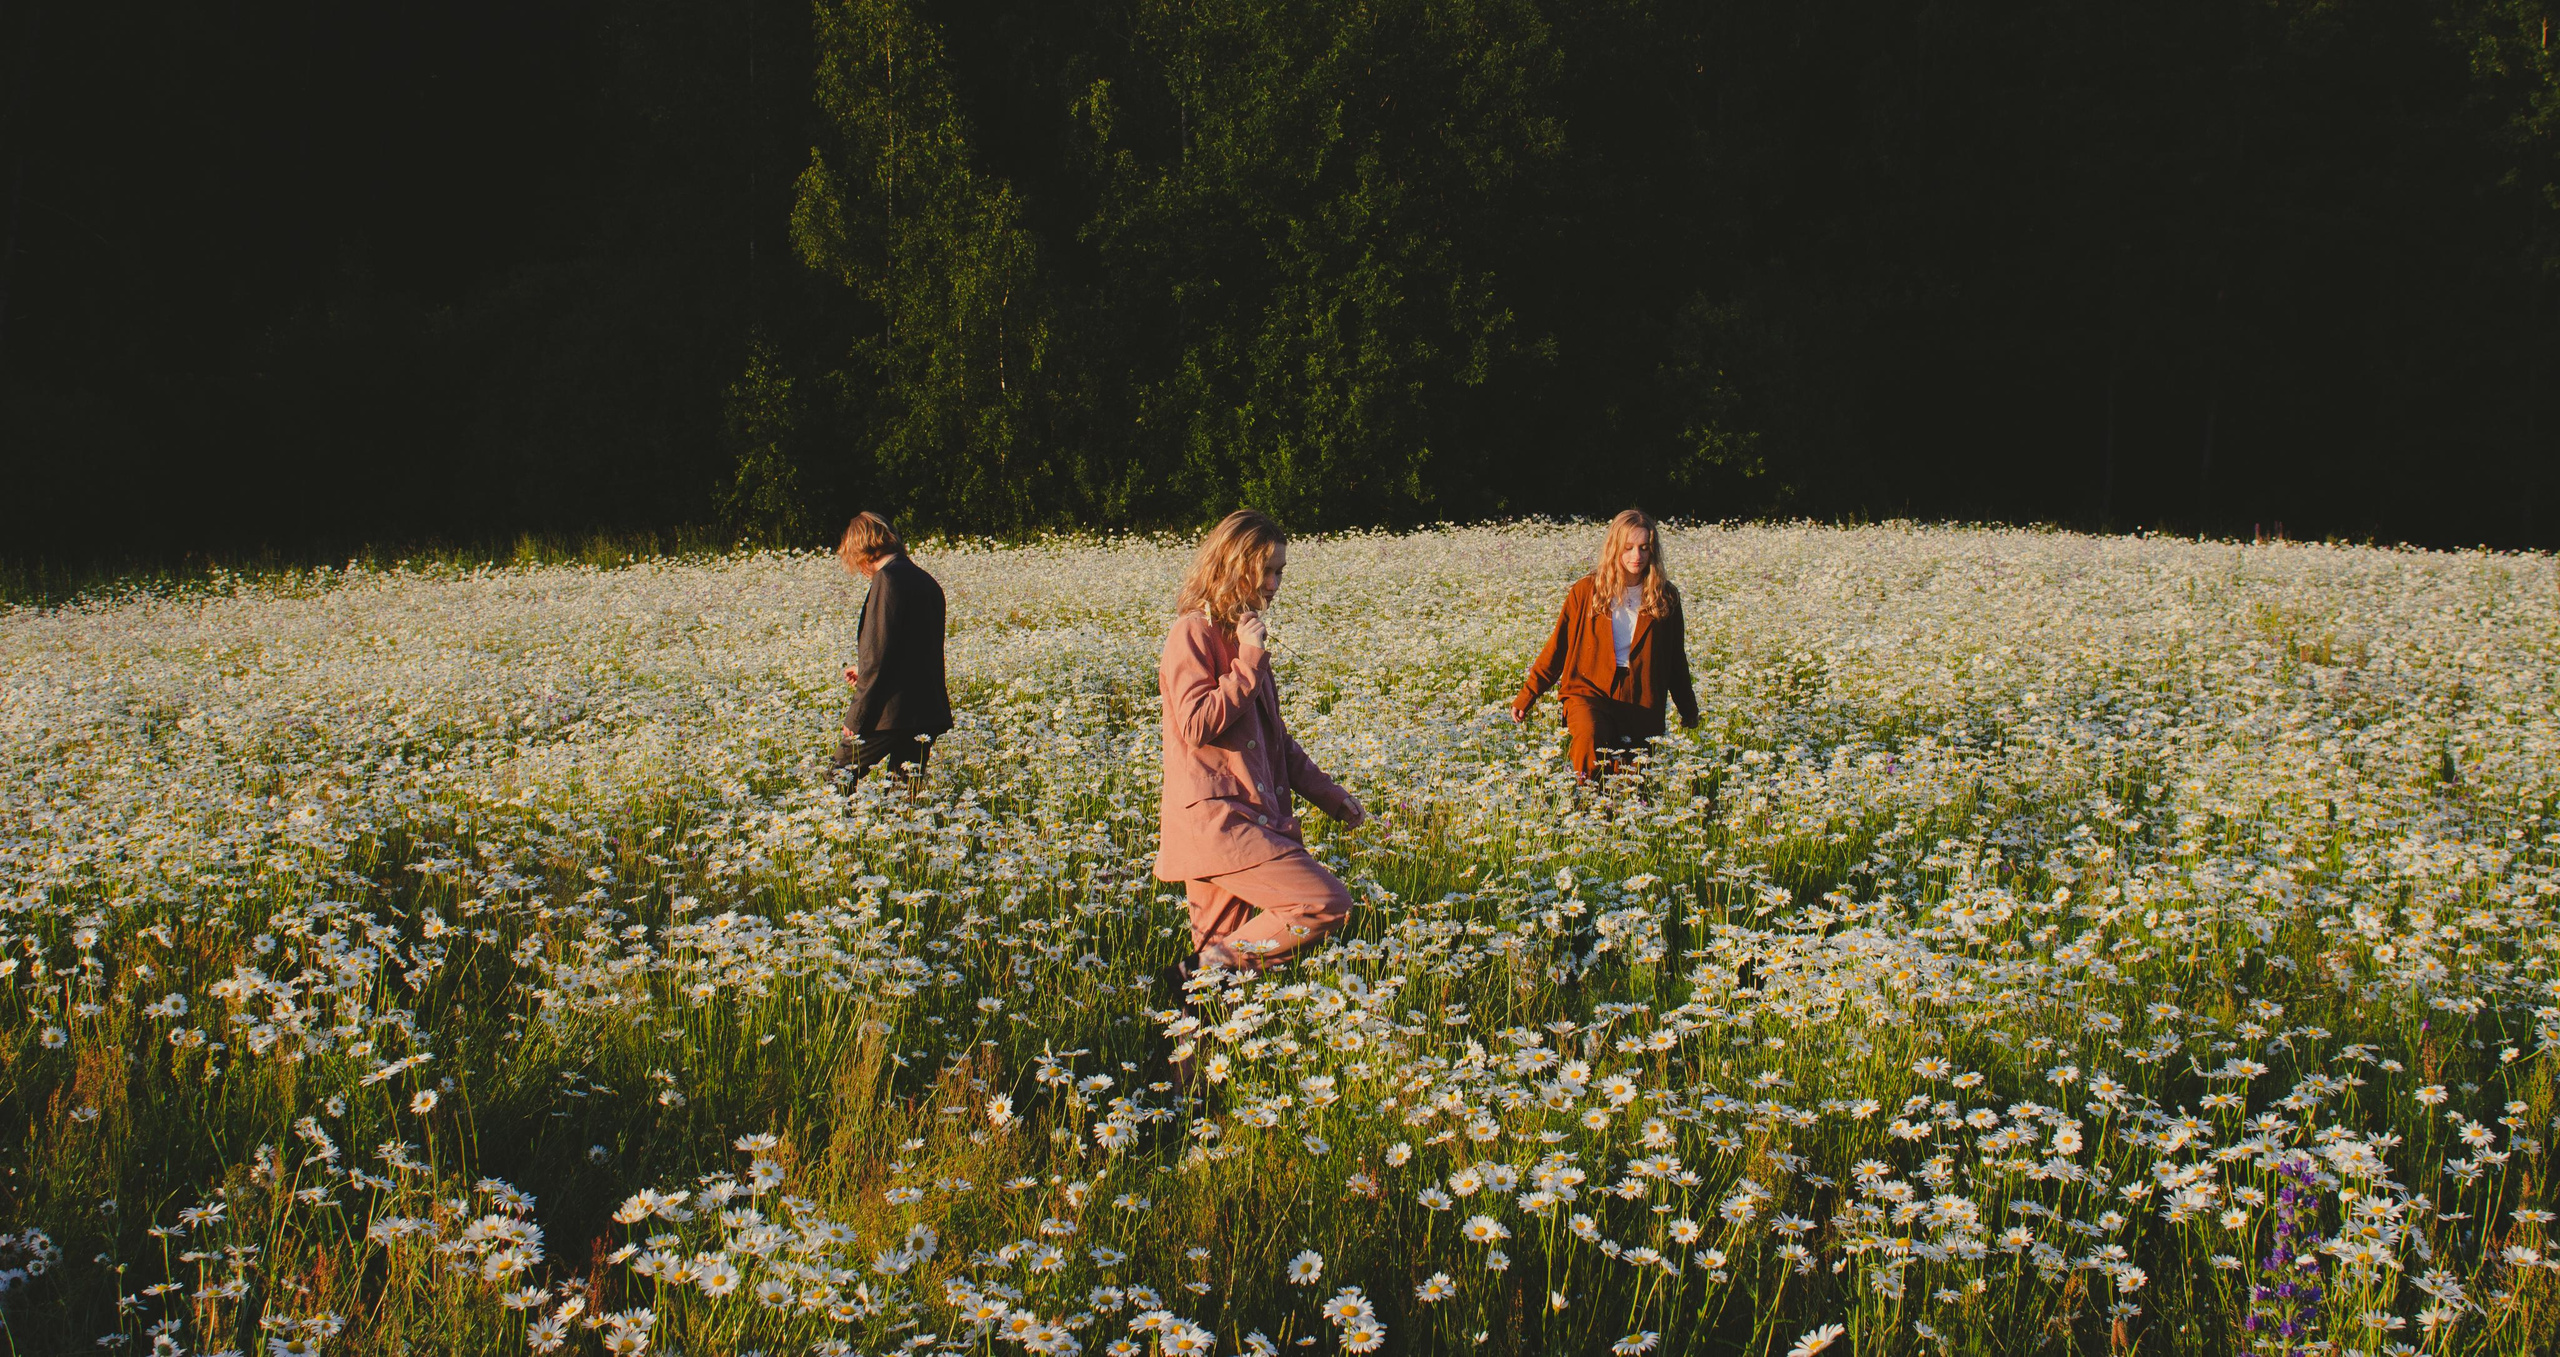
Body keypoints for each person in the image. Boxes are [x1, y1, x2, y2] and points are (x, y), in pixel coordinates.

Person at [1156, 509, 1367, 990]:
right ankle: (1193, 973)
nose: (1274, 584)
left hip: (1241, 819)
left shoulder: (1241, 634)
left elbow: (1277, 743)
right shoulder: (1193, 632)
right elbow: (1195, 723)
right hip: (1219, 824)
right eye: (1266, 570)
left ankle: (1186, 1016)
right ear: (1233, 566)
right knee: (1325, 903)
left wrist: (1332, 797)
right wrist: (1249, 662)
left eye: (1280, 572)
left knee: (1219, 986)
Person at [1511, 508, 1699, 779]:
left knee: (1631, 780)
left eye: (1644, 548)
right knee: (1589, 738)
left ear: (1653, 551)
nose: (1637, 556)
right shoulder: (1586, 591)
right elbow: (1558, 647)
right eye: (1628, 548)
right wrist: (1528, 694)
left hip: (1641, 698)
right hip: (1588, 688)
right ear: (1614, 547)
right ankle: (1583, 799)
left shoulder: (1665, 597)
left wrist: (1688, 709)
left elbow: (1674, 659)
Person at [834, 512, 951, 791]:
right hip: (925, 711)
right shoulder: (925, 580)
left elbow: (877, 655)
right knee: (903, 795)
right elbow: (913, 647)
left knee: (838, 778)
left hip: (892, 713)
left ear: (861, 548)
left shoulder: (886, 579)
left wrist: (855, 719)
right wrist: (863, 670)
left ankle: (842, 822)